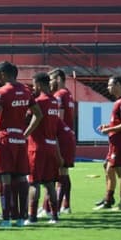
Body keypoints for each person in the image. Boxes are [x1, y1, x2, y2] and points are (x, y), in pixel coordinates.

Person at [0, 61, 42, 227]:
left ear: (3, 74)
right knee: (20, 178)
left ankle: (5, 219)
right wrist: (26, 133)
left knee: (5, 178)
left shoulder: (2, 91)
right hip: (19, 139)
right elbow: (38, 115)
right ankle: (20, 218)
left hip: (4, 138)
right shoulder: (27, 90)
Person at [25, 72, 61, 225]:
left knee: (34, 183)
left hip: (37, 147)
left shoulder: (38, 101)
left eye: (34, 85)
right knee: (50, 183)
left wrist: (24, 134)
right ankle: (54, 216)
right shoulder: (54, 101)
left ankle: (32, 217)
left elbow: (28, 118)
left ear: (38, 84)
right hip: (51, 146)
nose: (33, 88)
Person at [94, 76, 121, 211]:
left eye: (110, 85)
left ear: (118, 85)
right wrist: (108, 126)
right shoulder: (119, 102)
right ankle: (108, 200)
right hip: (115, 142)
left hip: (120, 142)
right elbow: (120, 122)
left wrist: (109, 129)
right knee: (109, 168)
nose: (108, 88)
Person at [46, 68, 76, 215]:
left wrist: (53, 136)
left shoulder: (58, 95)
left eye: (51, 79)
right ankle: (65, 205)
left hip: (60, 137)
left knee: (55, 173)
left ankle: (52, 208)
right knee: (64, 171)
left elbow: (59, 117)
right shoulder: (68, 94)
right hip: (68, 135)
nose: (49, 83)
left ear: (58, 79)